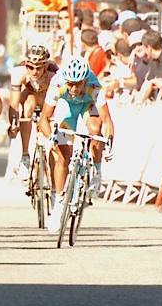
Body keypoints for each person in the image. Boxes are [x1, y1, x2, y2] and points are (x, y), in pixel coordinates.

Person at [37, 56, 114, 233]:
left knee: (95, 129)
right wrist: (51, 138)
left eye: (77, 84)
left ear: (85, 81)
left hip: (87, 105)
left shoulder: (94, 85)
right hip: (67, 108)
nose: (73, 88)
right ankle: (58, 205)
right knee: (63, 156)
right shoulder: (58, 83)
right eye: (70, 84)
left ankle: (96, 171)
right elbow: (44, 119)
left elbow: (107, 120)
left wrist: (109, 144)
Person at [7, 44, 58, 181]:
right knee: (28, 107)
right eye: (30, 67)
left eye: (38, 68)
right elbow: (14, 104)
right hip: (30, 94)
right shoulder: (19, 72)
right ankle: (25, 156)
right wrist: (13, 123)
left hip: (47, 97)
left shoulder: (54, 75)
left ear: (45, 66)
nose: (34, 72)